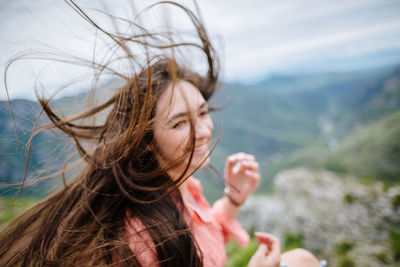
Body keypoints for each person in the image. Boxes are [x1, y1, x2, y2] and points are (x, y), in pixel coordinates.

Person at [0, 1, 321, 266]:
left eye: (203, 112)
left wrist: (234, 198)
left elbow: (203, 233)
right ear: (148, 143)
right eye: (179, 123)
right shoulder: (141, 237)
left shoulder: (179, 187)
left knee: (302, 259)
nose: (204, 131)